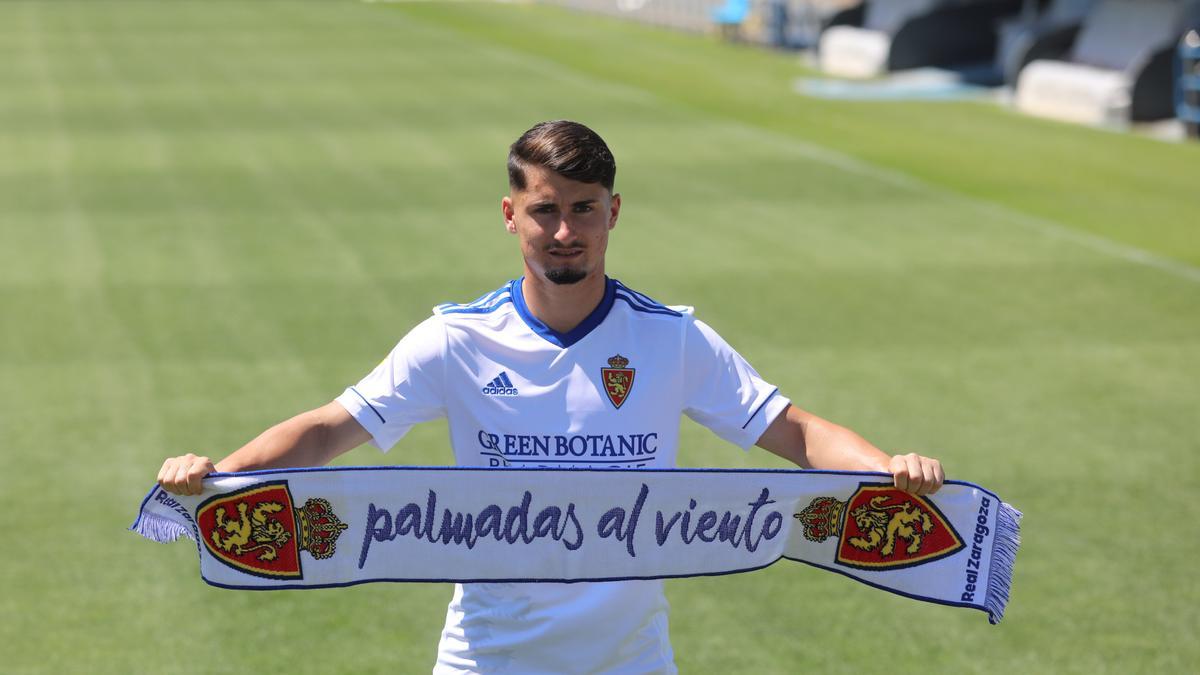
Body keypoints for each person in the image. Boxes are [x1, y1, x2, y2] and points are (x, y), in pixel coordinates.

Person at [157, 120, 944, 674]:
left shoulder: (670, 339)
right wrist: (219, 473)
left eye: (583, 209)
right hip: (487, 660)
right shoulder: (455, 338)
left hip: (631, 663)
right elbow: (329, 429)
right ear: (511, 215)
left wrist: (890, 469)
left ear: (613, 213)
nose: (564, 230)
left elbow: (798, 433)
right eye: (545, 210)